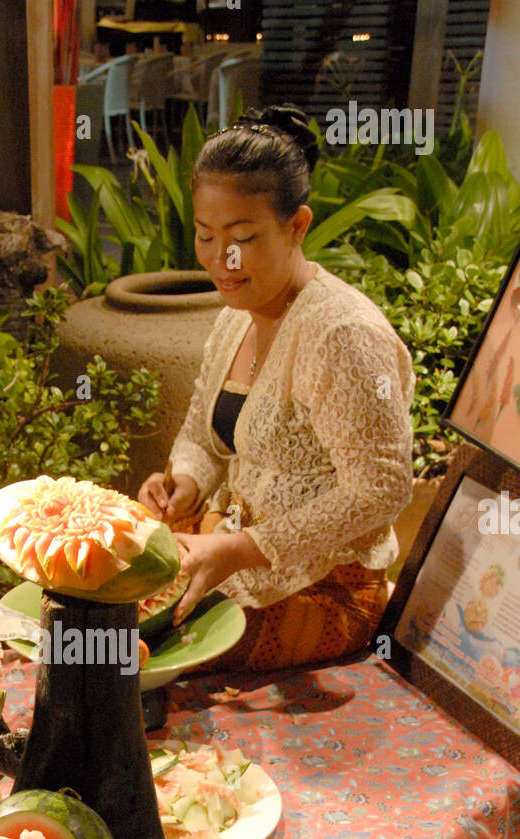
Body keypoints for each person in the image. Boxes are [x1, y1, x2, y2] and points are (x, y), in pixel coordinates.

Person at [138, 104, 416, 671]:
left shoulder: (341, 334)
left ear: (298, 225)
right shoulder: (237, 314)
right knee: (84, 612)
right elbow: (204, 437)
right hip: (226, 547)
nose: (222, 259)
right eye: (205, 235)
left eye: (243, 237)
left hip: (326, 588)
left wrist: (244, 549)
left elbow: (383, 487)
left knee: (136, 655)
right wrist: (185, 485)